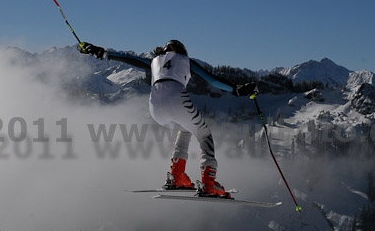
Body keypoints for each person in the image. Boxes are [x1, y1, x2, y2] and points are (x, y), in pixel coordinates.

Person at [78, 40, 258, 198]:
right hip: (177, 100)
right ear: (182, 51)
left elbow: (127, 58)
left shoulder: (154, 61)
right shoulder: (186, 61)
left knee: (185, 128)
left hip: (155, 108)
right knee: (204, 134)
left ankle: (177, 175)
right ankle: (209, 183)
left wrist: (99, 51)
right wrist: (237, 89)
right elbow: (212, 81)